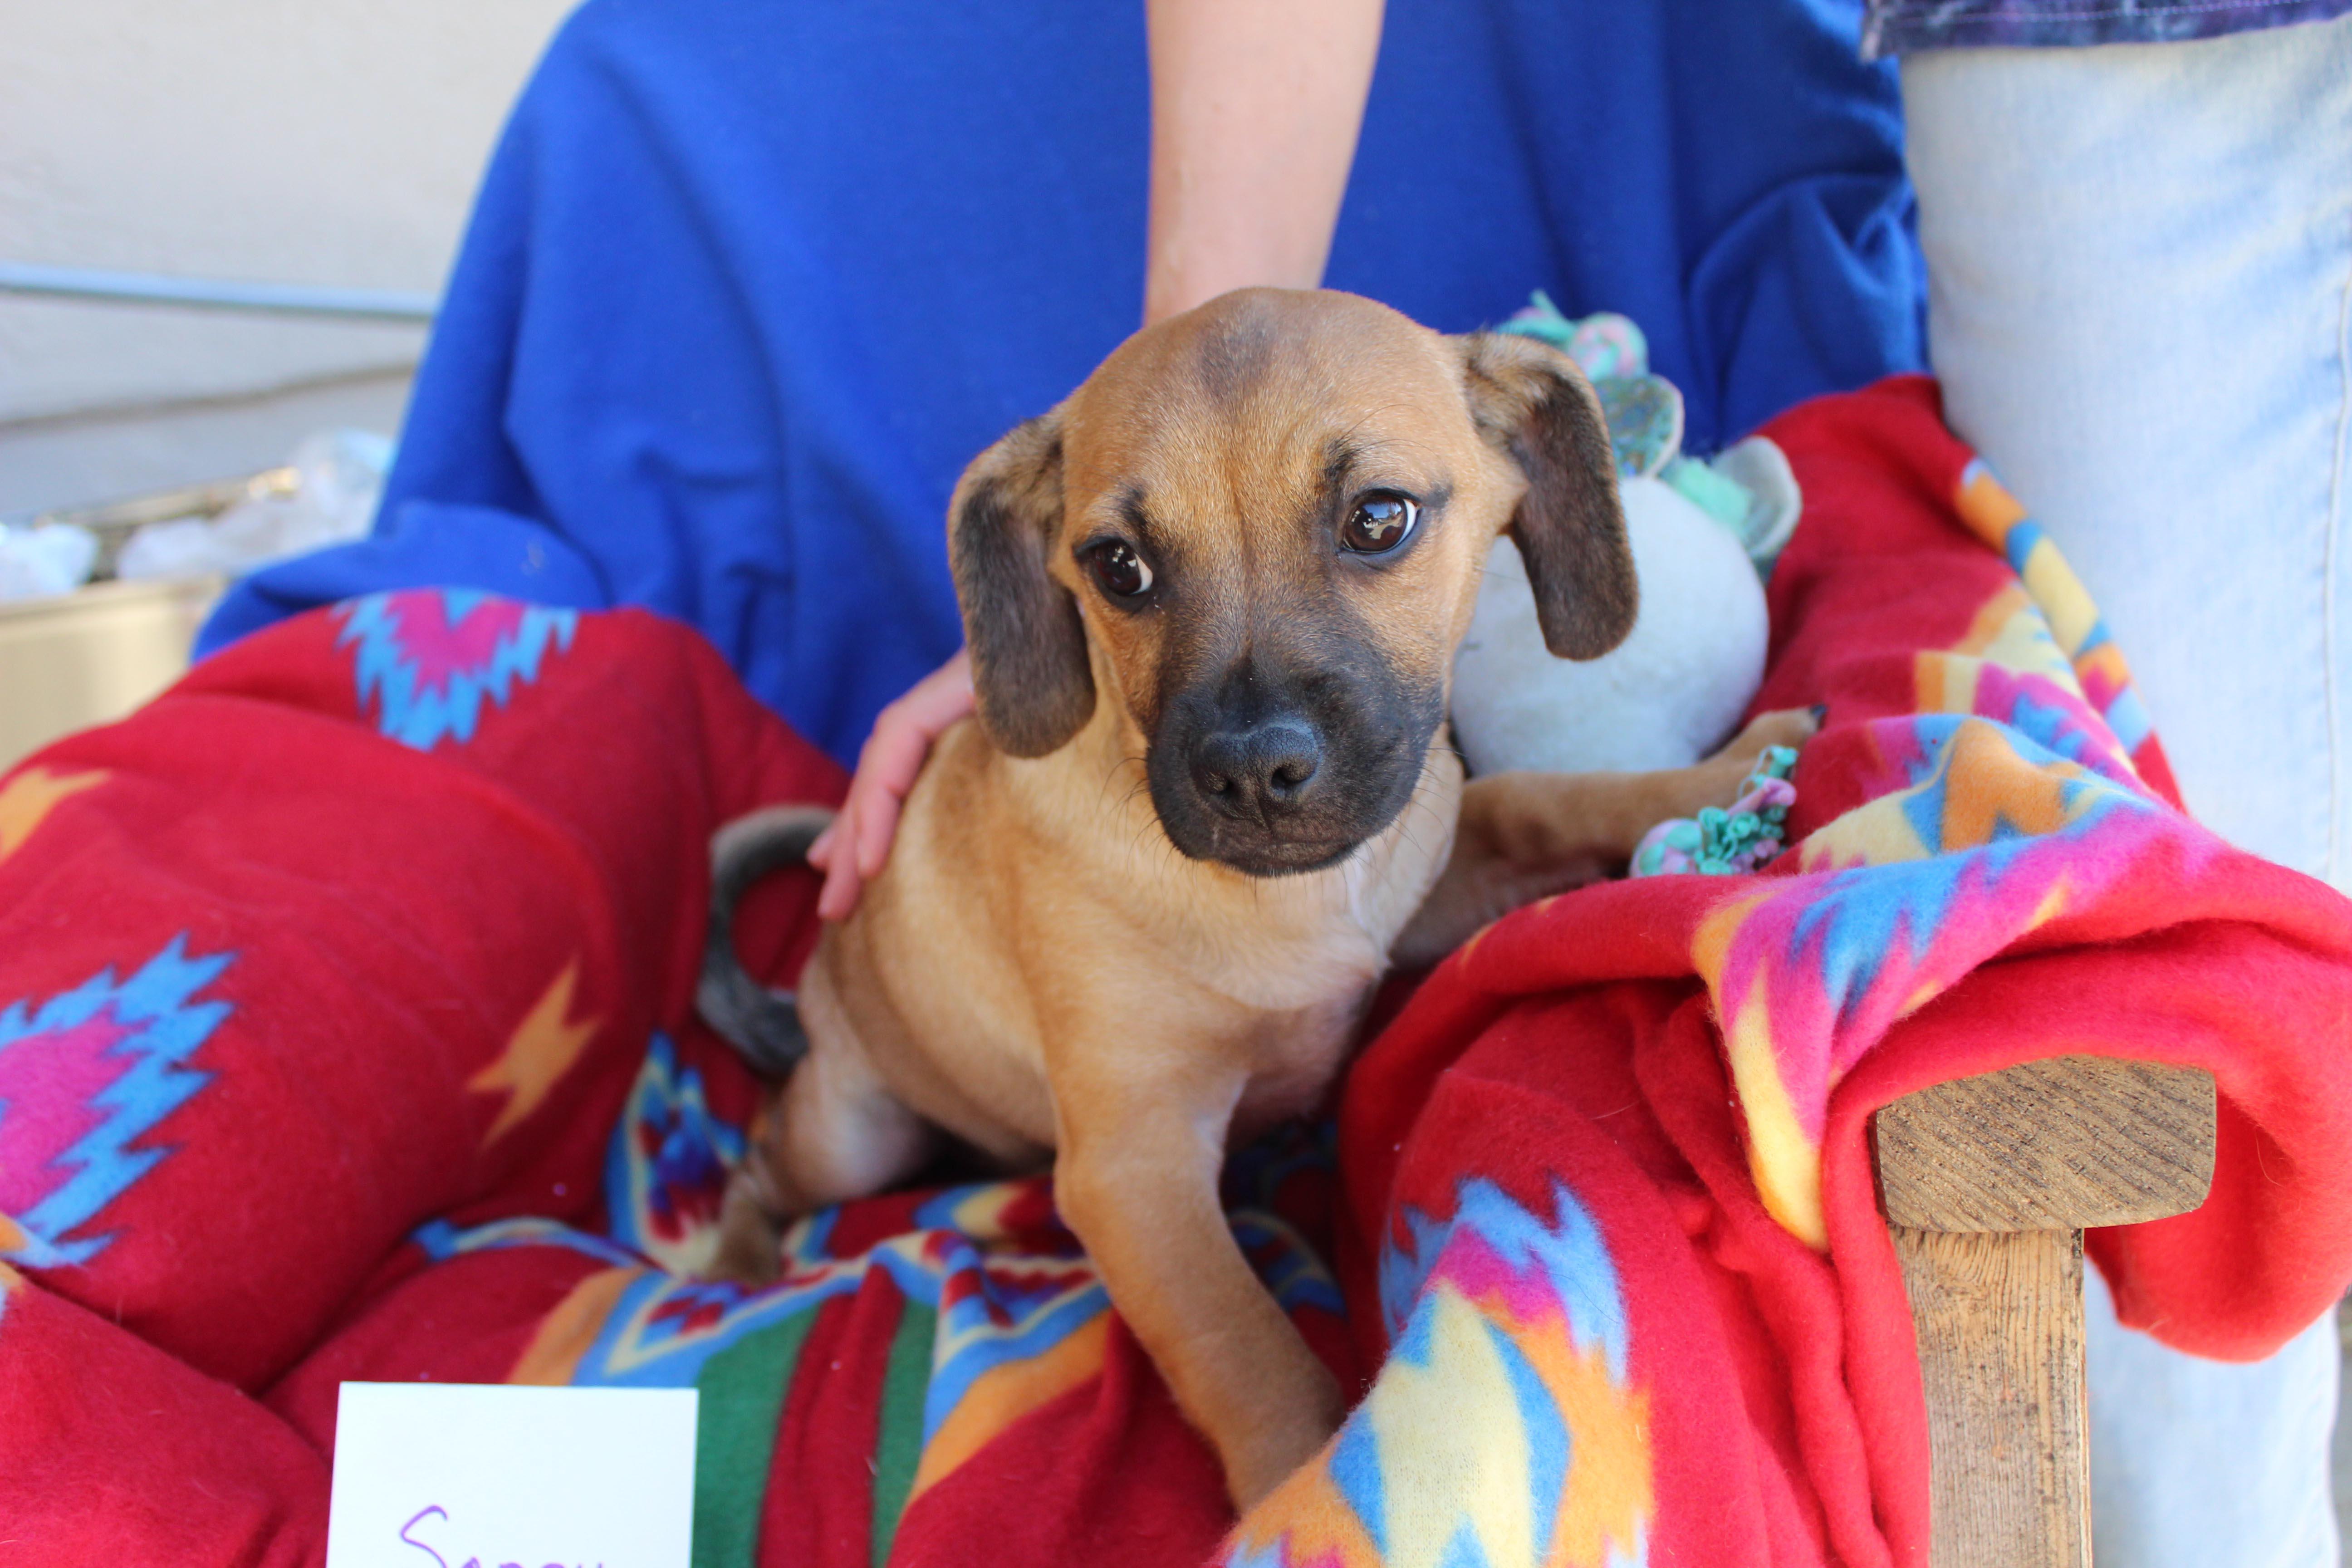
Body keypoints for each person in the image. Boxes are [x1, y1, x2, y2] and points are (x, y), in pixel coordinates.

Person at [808, 2, 2352, 1563]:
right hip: (950, 1081)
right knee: (834, 1130)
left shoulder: (1421, 681)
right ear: (1038, 575)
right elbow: (1128, 1175)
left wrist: (1659, 804)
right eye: (1137, 570)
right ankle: (759, 1192)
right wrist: (1289, 1447)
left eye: (1376, 531)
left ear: (1534, 482)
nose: (1263, 732)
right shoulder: (1078, 825)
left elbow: (1427, 865)